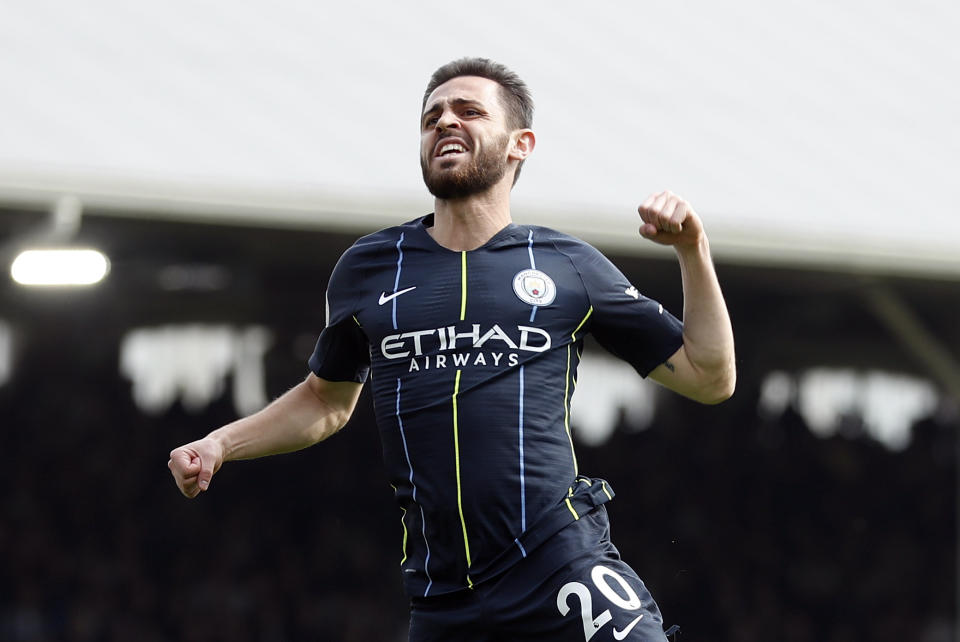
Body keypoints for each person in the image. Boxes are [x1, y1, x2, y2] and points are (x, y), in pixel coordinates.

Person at [168, 57, 735, 641]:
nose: (445, 122)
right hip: (445, 597)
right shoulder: (367, 268)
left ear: (521, 144)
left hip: (557, 566)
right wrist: (220, 444)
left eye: (469, 111)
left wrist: (694, 249)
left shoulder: (568, 266)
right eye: (431, 116)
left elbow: (708, 375)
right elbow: (326, 402)